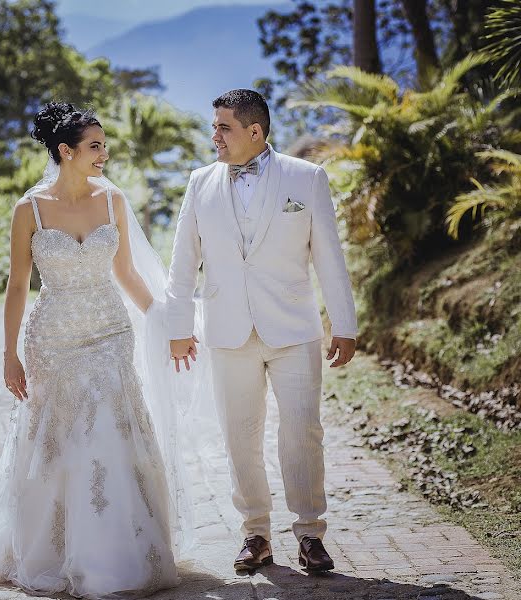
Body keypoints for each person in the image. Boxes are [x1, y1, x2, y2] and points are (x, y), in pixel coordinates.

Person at [0, 102, 185, 598]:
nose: (104, 153)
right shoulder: (28, 209)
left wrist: (162, 320)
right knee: (58, 441)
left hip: (109, 332)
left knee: (112, 432)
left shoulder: (111, 200)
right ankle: (55, 550)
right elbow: (16, 287)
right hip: (53, 338)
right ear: (65, 151)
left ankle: (120, 552)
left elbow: (126, 274)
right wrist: (9, 354)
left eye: (103, 145)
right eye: (94, 146)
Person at [166, 89, 357, 574]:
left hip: (293, 328)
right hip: (227, 330)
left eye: (223, 128)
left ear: (255, 132)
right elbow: (183, 262)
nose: (214, 136)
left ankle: (311, 533)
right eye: (214, 127)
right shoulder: (199, 182)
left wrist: (344, 323)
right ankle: (255, 533)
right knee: (240, 437)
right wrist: (178, 328)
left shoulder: (306, 178)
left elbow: (329, 256)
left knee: (302, 433)